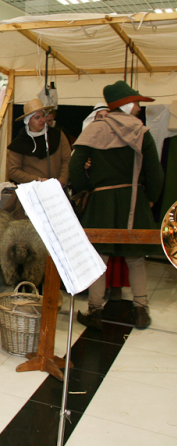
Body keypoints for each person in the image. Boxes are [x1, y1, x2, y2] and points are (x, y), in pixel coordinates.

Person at [71, 81, 164, 330]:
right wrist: (151, 198)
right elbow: (155, 173)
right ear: (125, 104)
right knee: (135, 259)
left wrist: (89, 189)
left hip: (101, 203)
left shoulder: (94, 129)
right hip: (134, 201)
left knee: (99, 259)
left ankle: (95, 311)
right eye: (136, 102)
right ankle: (141, 310)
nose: (139, 107)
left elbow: (75, 169)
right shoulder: (140, 131)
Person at [6, 98, 71, 219]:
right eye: (37, 117)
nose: (42, 120)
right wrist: (38, 180)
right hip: (31, 195)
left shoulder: (58, 135)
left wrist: (60, 182)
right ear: (28, 121)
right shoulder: (19, 143)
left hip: (57, 194)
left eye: (43, 116)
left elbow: (67, 160)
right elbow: (13, 171)